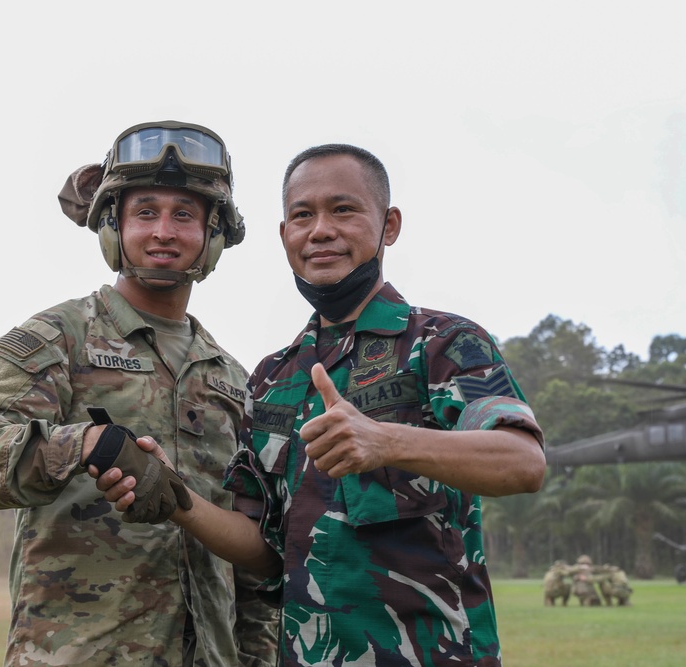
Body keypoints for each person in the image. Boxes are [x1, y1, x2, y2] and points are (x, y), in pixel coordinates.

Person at [98, 143, 546, 665]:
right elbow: (264, 552)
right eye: (302, 216)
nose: (321, 231)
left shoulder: (442, 343)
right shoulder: (270, 378)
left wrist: (388, 441)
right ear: (284, 235)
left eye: (344, 210)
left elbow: (523, 462)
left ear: (390, 225)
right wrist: (175, 498)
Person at [0, 121, 279, 667]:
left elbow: (256, 570)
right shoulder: (59, 339)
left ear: (212, 234)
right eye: (145, 212)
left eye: (185, 215)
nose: (164, 232)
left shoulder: (235, 383)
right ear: (113, 228)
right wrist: (87, 445)